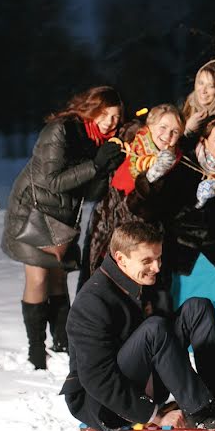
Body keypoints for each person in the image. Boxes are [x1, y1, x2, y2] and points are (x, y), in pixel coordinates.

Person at [60, 221, 215, 431]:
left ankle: (213, 403)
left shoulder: (136, 280)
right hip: (104, 405)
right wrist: (155, 416)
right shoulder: (93, 300)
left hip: (138, 380)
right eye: (147, 260)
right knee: (154, 328)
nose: (156, 267)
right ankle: (202, 416)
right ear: (121, 259)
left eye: (158, 258)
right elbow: (96, 378)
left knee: (198, 307)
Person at [2, 86, 126, 369]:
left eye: (116, 117)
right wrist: (96, 165)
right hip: (33, 210)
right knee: (39, 278)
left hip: (64, 217)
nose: (110, 122)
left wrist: (106, 168)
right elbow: (52, 181)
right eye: (104, 114)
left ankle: (62, 343)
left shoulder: (101, 141)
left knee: (59, 278)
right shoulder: (61, 131)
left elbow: (90, 192)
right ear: (90, 108)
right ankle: (36, 352)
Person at [128, 114, 215, 356]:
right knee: (184, 299)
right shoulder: (185, 165)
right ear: (204, 141)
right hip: (184, 248)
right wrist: (197, 201)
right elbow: (158, 208)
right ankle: (184, 343)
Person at [78, 104, 185, 292]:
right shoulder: (129, 144)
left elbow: (143, 207)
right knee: (99, 294)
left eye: (175, 131)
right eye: (163, 127)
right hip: (105, 233)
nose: (167, 135)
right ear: (149, 125)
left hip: (142, 246)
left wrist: (152, 177)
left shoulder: (176, 165)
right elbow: (104, 188)